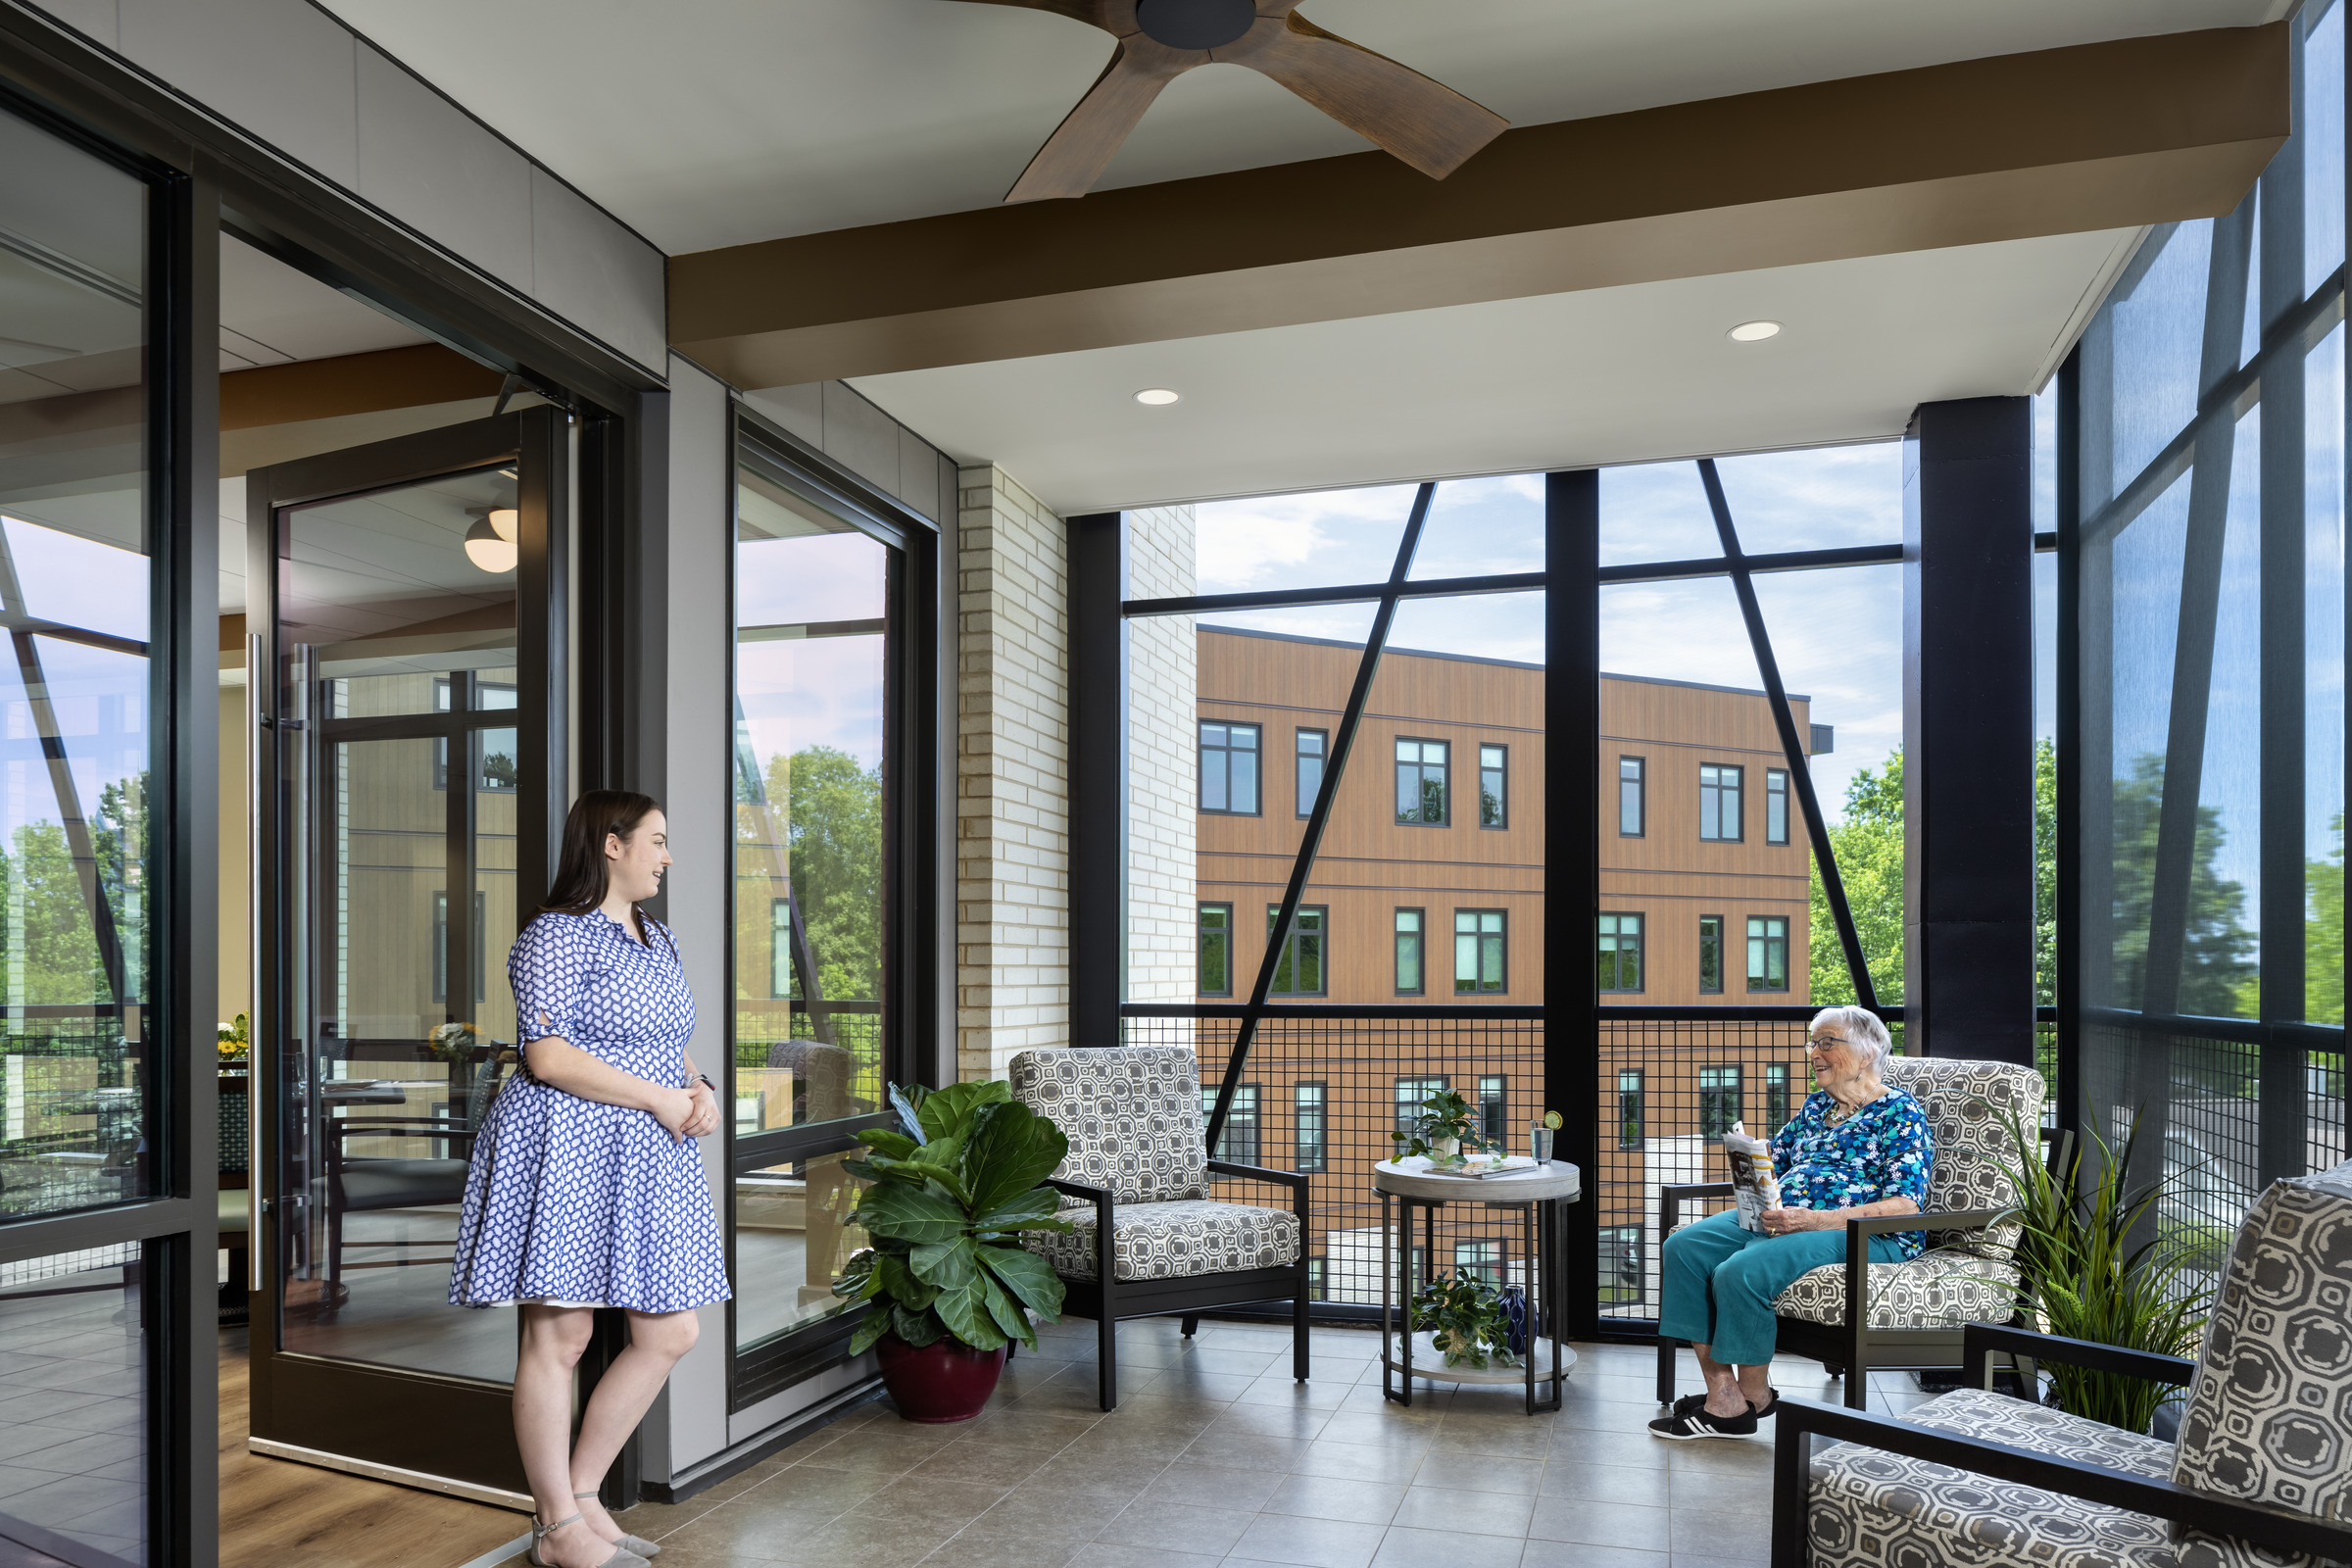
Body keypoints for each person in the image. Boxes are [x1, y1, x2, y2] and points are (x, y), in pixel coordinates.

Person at [449, 792, 728, 1567]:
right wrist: (660, 1098)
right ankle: (559, 1524)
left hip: (649, 1151)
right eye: (657, 841)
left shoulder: (657, 937)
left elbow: (671, 1041)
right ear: (611, 845)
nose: (667, 857)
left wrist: (699, 1089)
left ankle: (574, 1504)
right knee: (561, 1335)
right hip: (568, 1146)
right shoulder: (556, 936)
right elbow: (549, 1056)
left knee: (671, 1330)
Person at [1648, 1005, 1933, 1440]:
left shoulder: (1899, 1112)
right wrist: (1750, 1162)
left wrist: (1817, 1219)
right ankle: (1724, 1394)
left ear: (1868, 1049)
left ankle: (1754, 1395)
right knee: (1683, 1248)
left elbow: (1905, 1204)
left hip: (1862, 1234)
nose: (1813, 1052)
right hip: (1786, 1217)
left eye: (1826, 1042)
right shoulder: (1817, 1105)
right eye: (1812, 1042)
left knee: (1740, 1271)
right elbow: (1773, 1162)